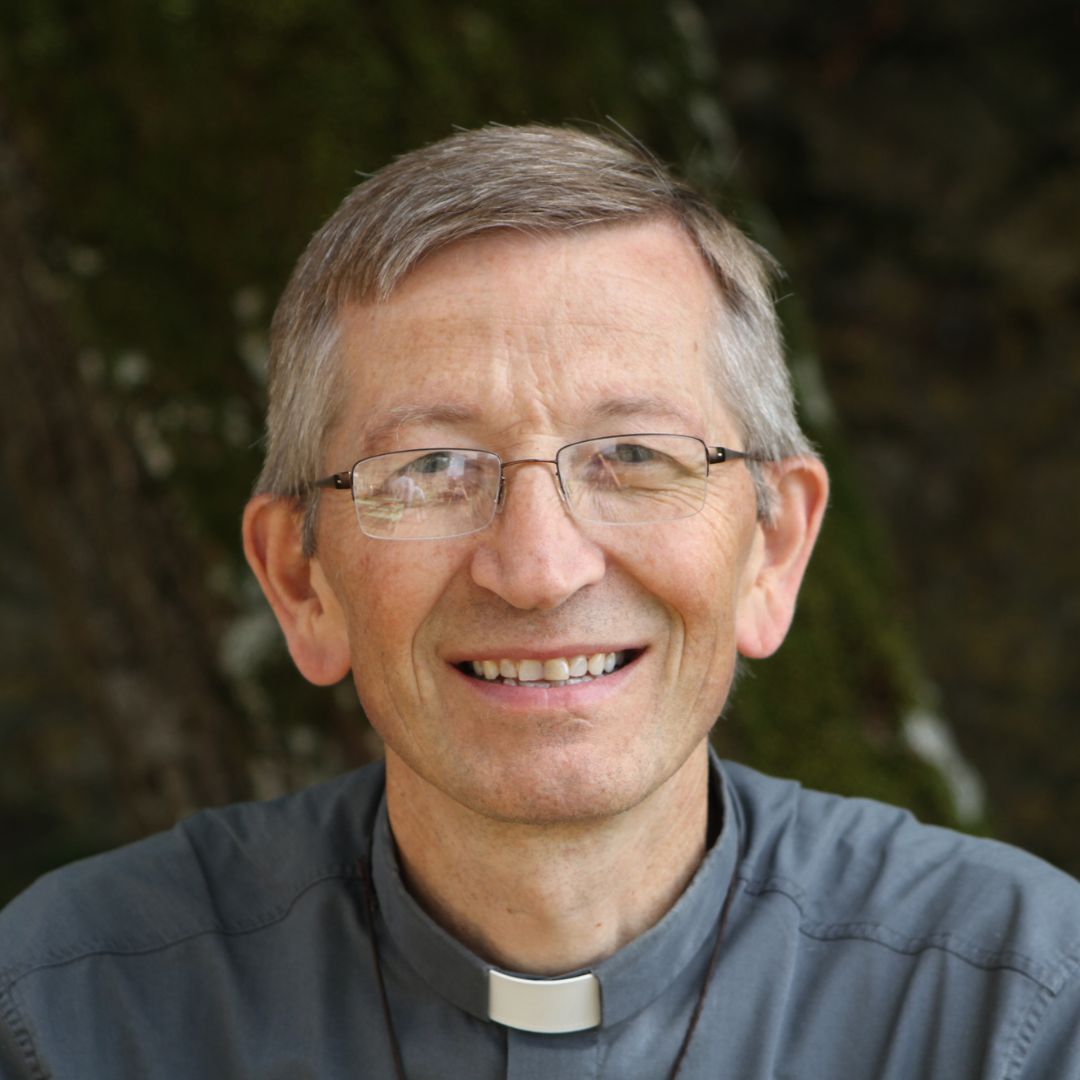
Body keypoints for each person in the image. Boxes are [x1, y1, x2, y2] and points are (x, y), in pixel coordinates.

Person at [2, 125, 1079, 1080]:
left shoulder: (1015, 1010)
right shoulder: (72, 1012)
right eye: (431, 469)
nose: (539, 568)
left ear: (775, 549)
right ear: (301, 579)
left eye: (632, 456)